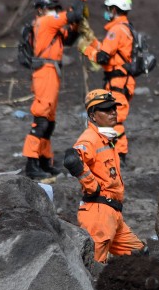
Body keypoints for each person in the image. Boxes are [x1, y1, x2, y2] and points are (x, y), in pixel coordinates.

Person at [63, 89, 146, 262]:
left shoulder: (105, 139)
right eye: (106, 109)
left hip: (113, 213)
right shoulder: (90, 138)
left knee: (139, 255)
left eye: (113, 108)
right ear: (93, 115)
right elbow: (72, 159)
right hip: (98, 213)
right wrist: (91, 185)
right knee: (94, 266)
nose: (113, 112)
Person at [22, 0, 85, 180]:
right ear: (40, 10)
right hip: (45, 70)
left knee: (49, 121)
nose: (54, 12)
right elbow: (74, 14)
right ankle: (31, 162)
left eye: (56, 9)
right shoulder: (46, 22)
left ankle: (44, 160)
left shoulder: (52, 28)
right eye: (51, 8)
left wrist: (75, 26)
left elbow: (70, 38)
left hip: (52, 70)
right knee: (41, 118)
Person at [80, 0, 138, 162]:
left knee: (114, 119)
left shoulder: (117, 30)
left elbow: (102, 57)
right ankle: (117, 155)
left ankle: (119, 156)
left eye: (108, 8)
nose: (107, 11)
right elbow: (108, 51)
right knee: (113, 117)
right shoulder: (125, 28)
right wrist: (92, 40)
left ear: (114, 9)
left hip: (118, 81)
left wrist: (86, 49)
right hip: (120, 81)